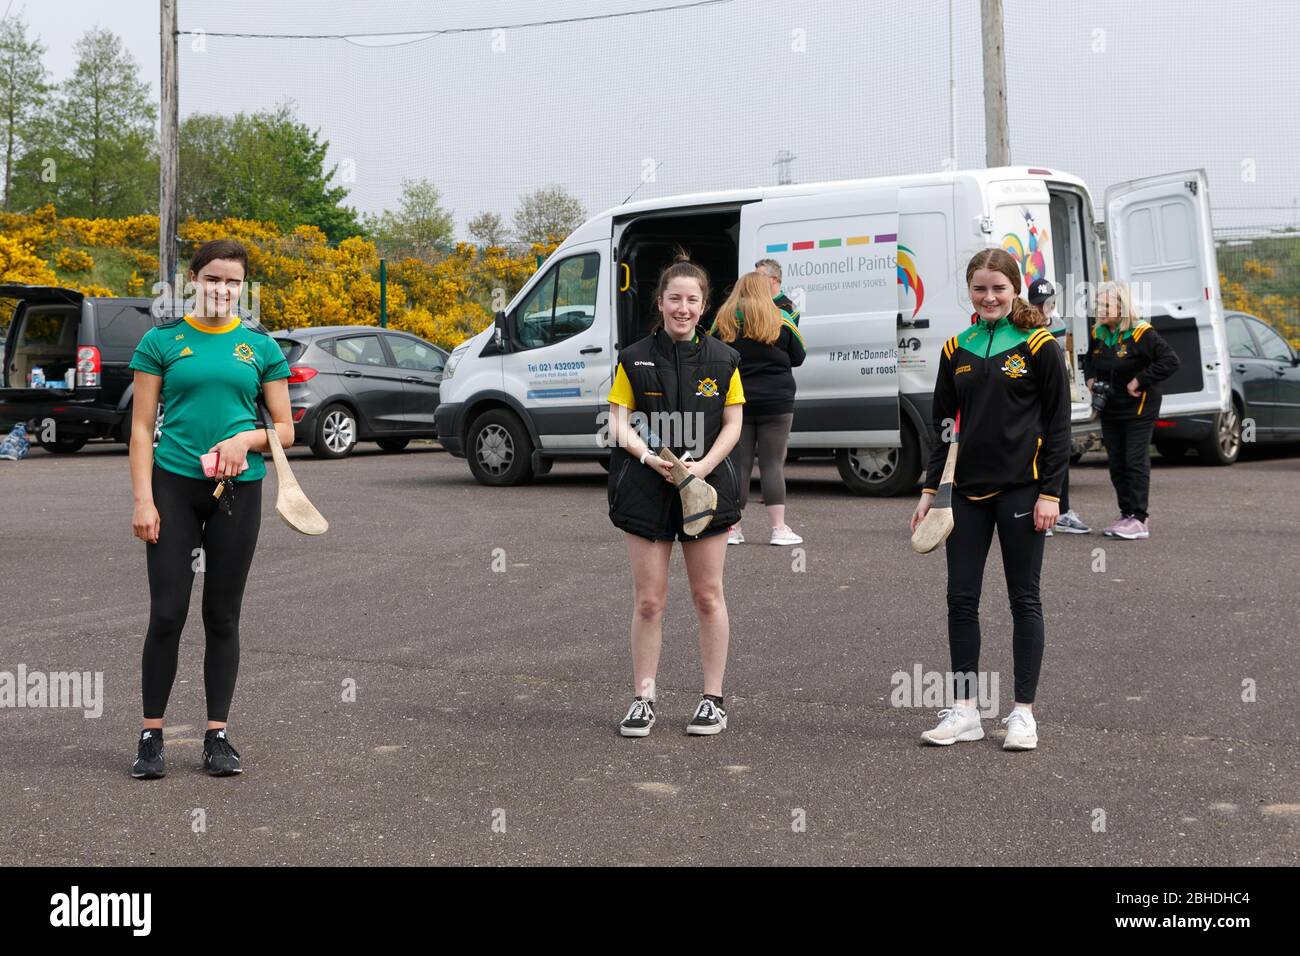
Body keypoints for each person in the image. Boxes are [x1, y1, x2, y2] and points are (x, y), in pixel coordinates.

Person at [127, 238, 293, 778]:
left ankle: (216, 736)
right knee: (167, 613)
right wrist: (143, 500)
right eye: (214, 279)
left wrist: (245, 441)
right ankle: (151, 736)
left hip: (238, 491)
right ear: (193, 280)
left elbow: (286, 429)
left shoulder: (260, 348)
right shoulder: (163, 341)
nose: (223, 290)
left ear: (243, 289)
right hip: (173, 486)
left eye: (233, 282)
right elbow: (140, 428)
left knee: (222, 615)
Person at [910, 248, 1070, 751]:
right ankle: (964, 710)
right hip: (966, 495)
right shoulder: (956, 347)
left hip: (1025, 489)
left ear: (1015, 288)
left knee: (1025, 599)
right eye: (980, 288)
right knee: (961, 599)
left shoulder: (1040, 345)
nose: (989, 296)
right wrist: (930, 490)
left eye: (998, 287)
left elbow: (1060, 425)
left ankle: (1023, 714)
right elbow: (942, 426)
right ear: (970, 291)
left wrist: (1050, 492)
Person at [606, 251, 745, 737]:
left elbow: (734, 422)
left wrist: (701, 468)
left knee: (708, 596)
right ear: (660, 302)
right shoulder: (633, 356)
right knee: (650, 601)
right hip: (646, 489)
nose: (683, 308)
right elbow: (617, 421)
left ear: (704, 306)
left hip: (707, 490)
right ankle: (643, 697)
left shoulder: (725, 359)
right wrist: (649, 459)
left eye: (692, 300)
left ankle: (713, 699)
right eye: (674, 299)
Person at [709, 271, 806, 545]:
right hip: (778, 400)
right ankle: (779, 529)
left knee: (738, 465)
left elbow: (712, 357)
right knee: (772, 464)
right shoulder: (782, 319)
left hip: (737, 401)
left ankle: (733, 529)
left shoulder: (723, 320)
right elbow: (799, 356)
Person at [1084, 280, 1180, 540]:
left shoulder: (1141, 332)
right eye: (1097, 305)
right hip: (1110, 407)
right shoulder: (1099, 333)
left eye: (1105, 305)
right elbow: (1089, 361)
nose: (1099, 310)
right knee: (1116, 463)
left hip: (1139, 407)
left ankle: (1139, 518)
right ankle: (1126, 514)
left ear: (1121, 306)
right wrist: (1090, 379)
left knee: (1134, 460)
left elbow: (1170, 361)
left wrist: (1140, 380)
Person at [1026, 278, 1090, 535]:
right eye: (1038, 304)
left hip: (1055, 394)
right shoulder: (1023, 326)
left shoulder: (1059, 325)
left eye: (1048, 303)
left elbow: (1060, 361)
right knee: (1035, 454)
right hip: (1033, 399)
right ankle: (1036, 511)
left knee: (1058, 449)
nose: (1044, 309)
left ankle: (1061, 511)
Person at [755, 258, 800, 325]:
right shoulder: (753, 303)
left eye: (759, 276)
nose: (754, 280)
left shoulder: (790, 308)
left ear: (774, 279)